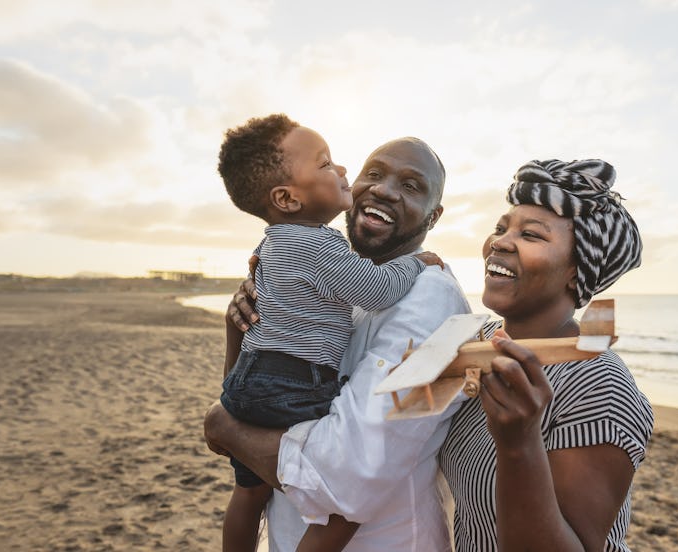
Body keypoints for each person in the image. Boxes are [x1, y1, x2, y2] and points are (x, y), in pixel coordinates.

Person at [206, 136, 470, 551]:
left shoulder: (432, 299)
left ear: (433, 217)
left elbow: (349, 475)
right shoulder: (333, 286)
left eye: (411, 186)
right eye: (375, 174)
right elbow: (253, 417)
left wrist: (223, 424)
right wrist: (238, 329)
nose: (384, 190)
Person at [438, 158, 653, 551]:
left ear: (577, 270)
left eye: (531, 236)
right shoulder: (480, 342)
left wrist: (519, 443)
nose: (500, 242)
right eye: (501, 228)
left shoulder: (598, 385)